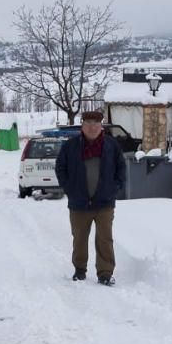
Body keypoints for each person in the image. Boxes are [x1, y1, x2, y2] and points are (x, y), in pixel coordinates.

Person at [55, 110, 126, 285]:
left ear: (101, 126)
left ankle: (105, 273)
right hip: (79, 202)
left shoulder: (111, 146)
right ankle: (79, 270)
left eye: (96, 124)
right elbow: (60, 168)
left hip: (104, 203)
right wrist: (69, 188)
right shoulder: (70, 146)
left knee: (105, 239)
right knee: (79, 238)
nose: (92, 127)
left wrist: (114, 188)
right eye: (88, 124)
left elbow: (121, 169)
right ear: (83, 126)